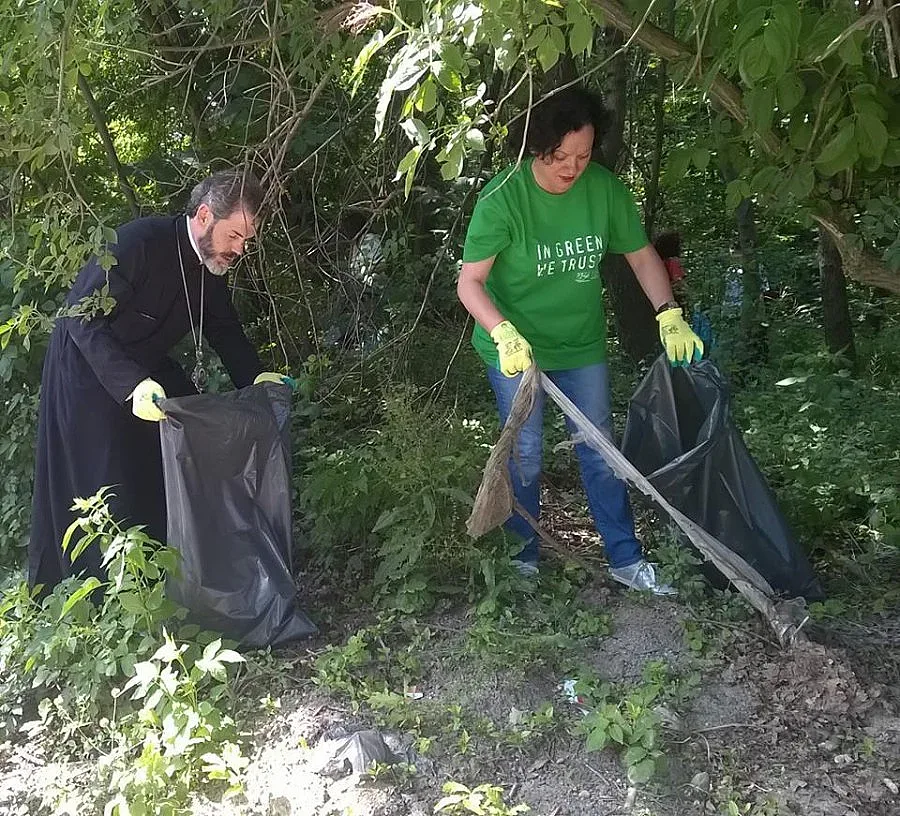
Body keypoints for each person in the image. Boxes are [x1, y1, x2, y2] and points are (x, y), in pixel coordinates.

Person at [457, 86, 704, 593]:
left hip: (580, 345)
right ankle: (522, 558)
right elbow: (469, 282)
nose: (572, 168)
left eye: (583, 155)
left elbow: (640, 256)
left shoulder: (605, 191)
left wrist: (668, 314)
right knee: (524, 452)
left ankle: (625, 559)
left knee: (600, 449)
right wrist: (502, 331)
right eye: (559, 157)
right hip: (514, 348)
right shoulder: (502, 198)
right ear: (533, 150)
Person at [30, 169, 290, 592]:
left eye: (246, 241)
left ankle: (165, 575)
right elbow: (81, 319)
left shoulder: (210, 265)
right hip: (84, 368)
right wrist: (131, 385)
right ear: (205, 216)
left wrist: (257, 378)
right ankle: (99, 594)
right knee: (104, 474)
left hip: (143, 368)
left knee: (178, 438)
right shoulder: (139, 243)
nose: (240, 249)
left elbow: (225, 331)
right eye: (235, 236)